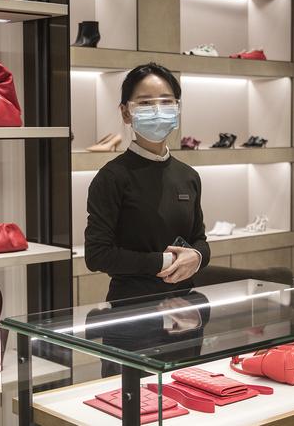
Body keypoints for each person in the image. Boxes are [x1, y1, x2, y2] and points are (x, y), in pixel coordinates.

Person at [84, 62, 210, 302]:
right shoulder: (111, 177)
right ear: (125, 112)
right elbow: (97, 254)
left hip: (186, 307)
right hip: (132, 311)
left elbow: (199, 239)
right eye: (145, 103)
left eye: (165, 101)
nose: (157, 110)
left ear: (177, 108)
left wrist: (198, 257)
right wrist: (165, 261)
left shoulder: (189, 176)